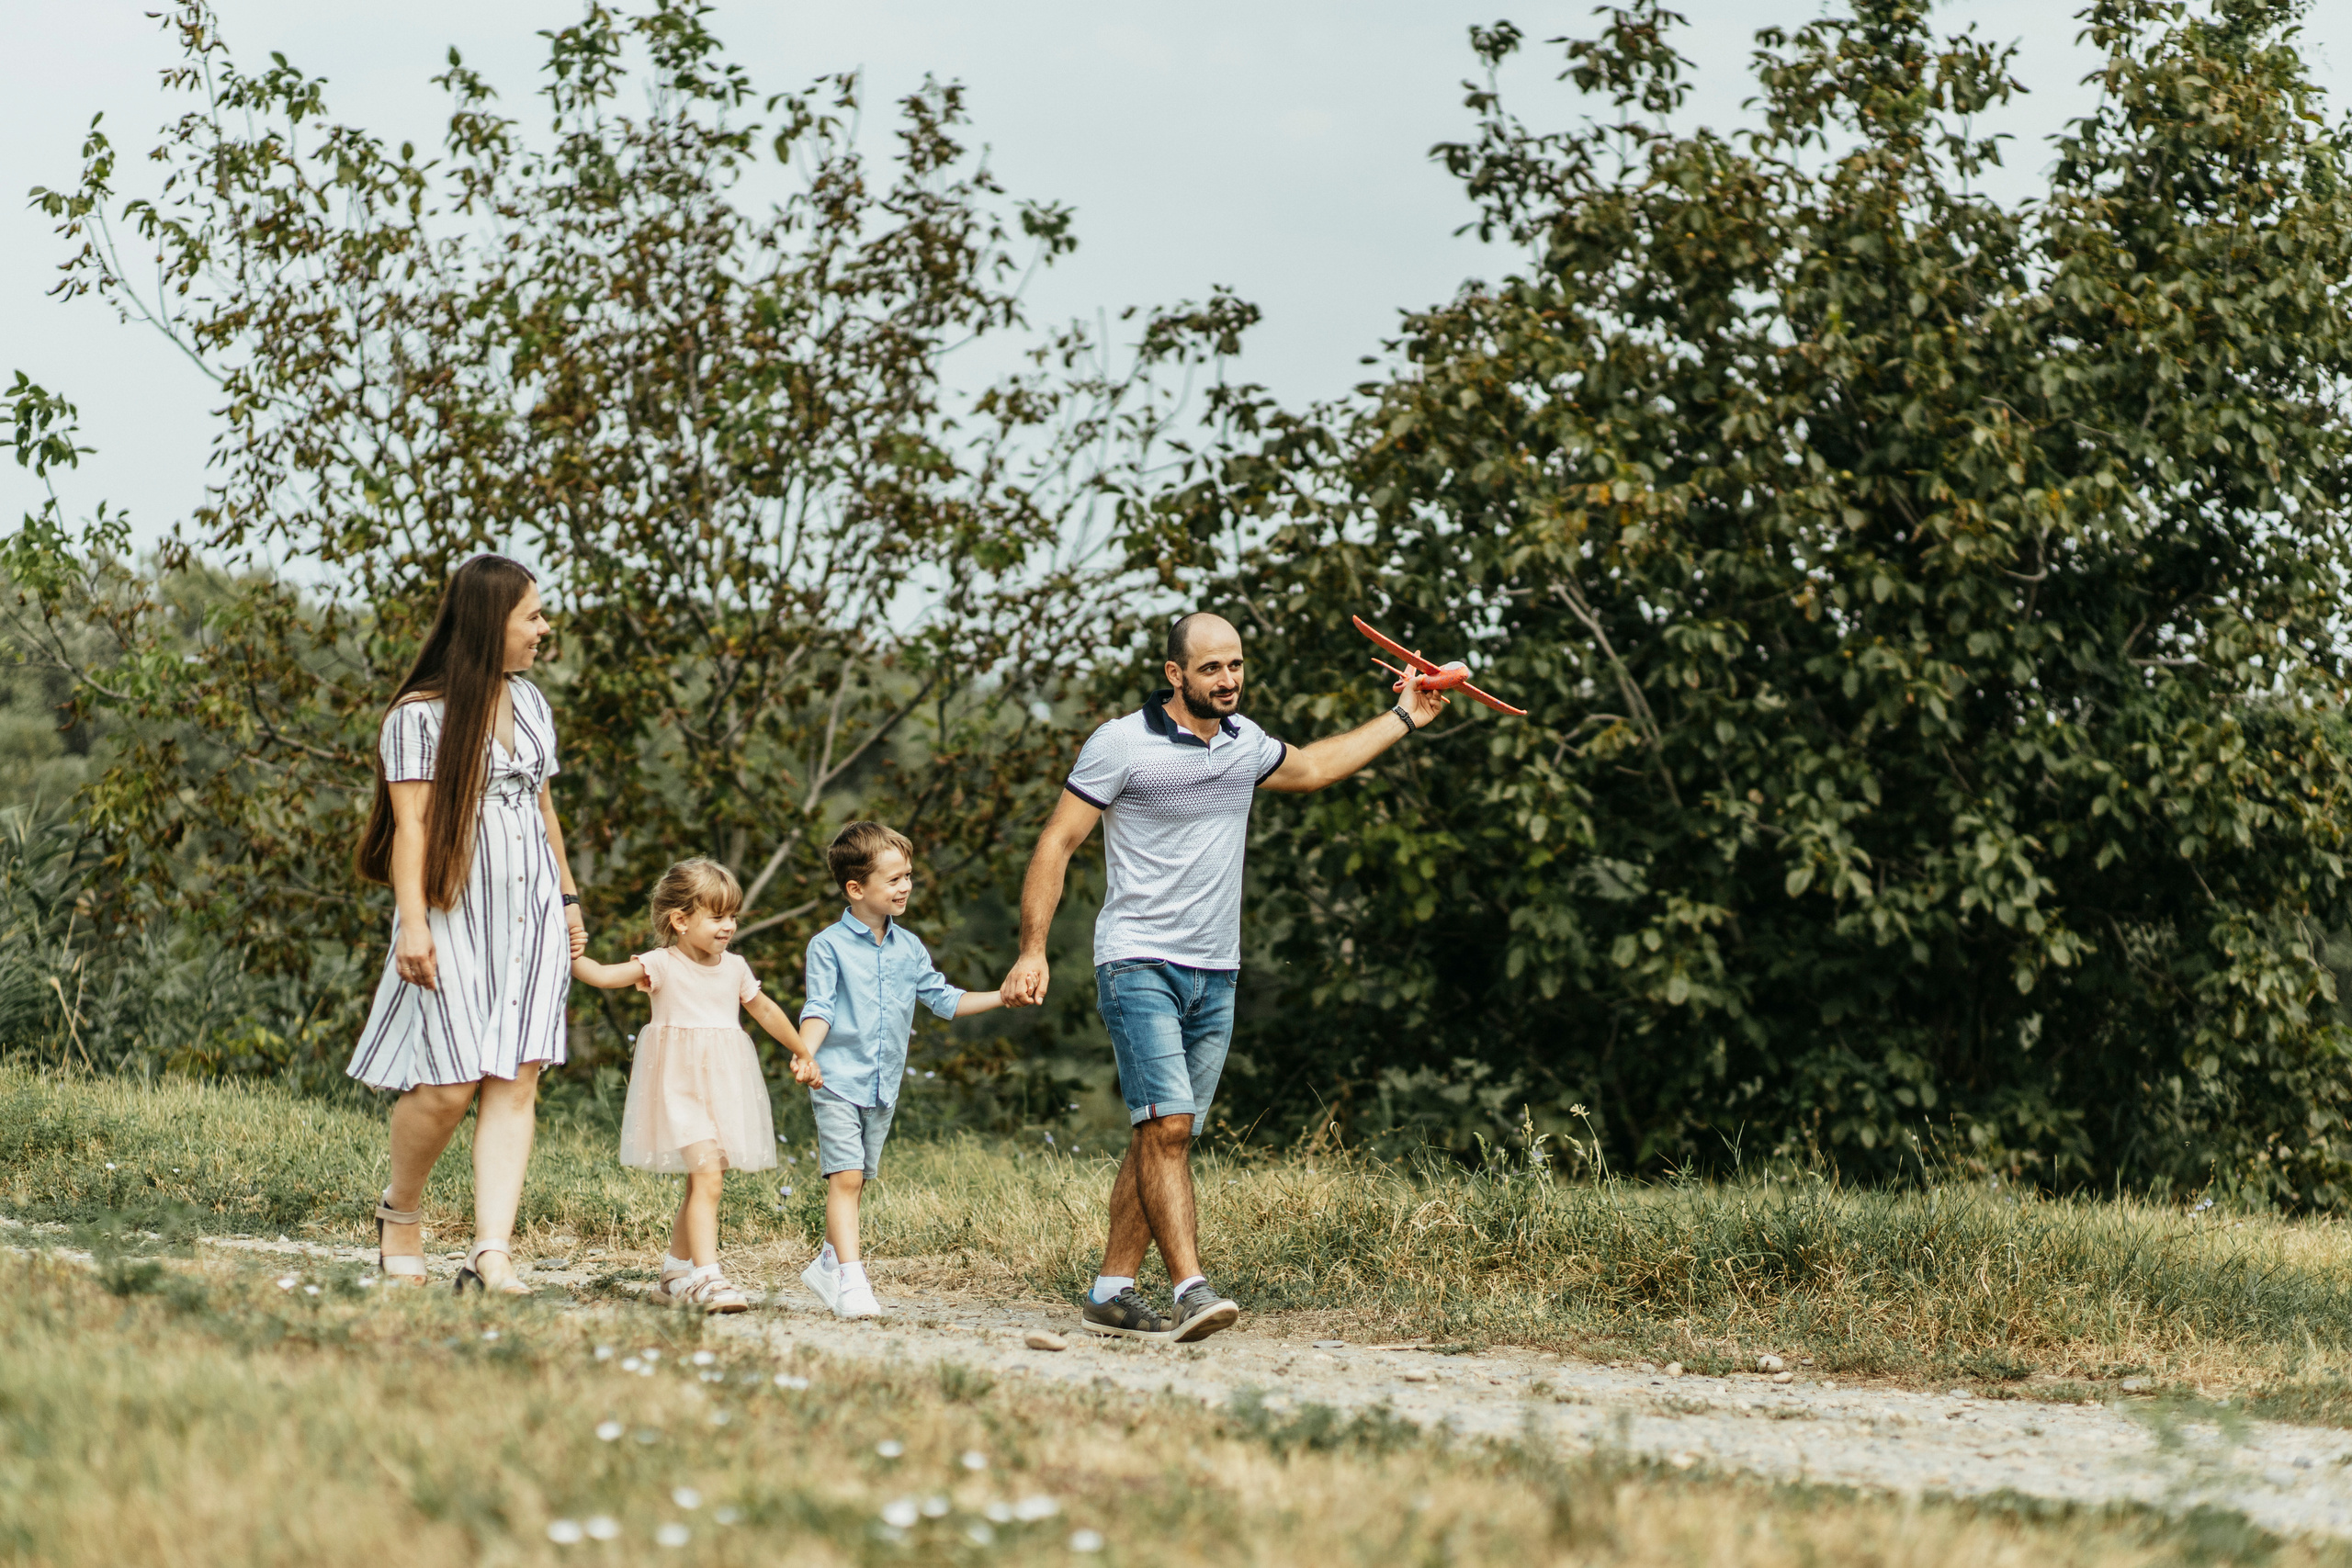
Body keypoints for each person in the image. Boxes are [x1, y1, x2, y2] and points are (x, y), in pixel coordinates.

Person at [1001, 611, 1444, 1342]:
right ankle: (1191, 1289)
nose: (1229, 679)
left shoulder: (1245, 745)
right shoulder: (1122, 742)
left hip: (1217, 972)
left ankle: (1112, 1290)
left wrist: (1405, 713)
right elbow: (1058, 840)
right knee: (1168, 1126)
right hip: (1138, 959)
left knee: (1163, 1134)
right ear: (1175, 674)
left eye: (1236, 665)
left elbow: (1314, 768)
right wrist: (1033, 948)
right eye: (1211, 668)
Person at [347, 554, 590, 1295]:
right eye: (533, 617)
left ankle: (492, 1252)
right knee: (449, 1082)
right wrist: (413, 922)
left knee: (515, 1079)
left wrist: (572, 903)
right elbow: (411, 826)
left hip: (533, 914)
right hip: (452, 913)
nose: (545, 629)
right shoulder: (417, 716)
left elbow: (544, 810)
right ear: (492, 622)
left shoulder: (533, 703)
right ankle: (401, 1210)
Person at [571, 858, 818, 1313]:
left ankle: (673, 1274)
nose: (729, 926)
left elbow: (764, 1011)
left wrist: (802, 1051)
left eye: (732, 916)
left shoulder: (735, 967)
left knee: (707, 1177)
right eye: (718, 916)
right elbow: (602, 976)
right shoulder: (661, 964)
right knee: (706, 1176)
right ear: (680, 920)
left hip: (722, 1089)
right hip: (678, 1090)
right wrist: (569, 953)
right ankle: (709, 1276)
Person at [798, 821, 1009, 1320]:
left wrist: (1002, 996)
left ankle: (828, 1262)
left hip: (882, 1085)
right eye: (893, 879)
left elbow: (944, 1000)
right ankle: (851, 1281)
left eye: (908, 875)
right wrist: (806, 1053)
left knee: (858, 1180)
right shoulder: (827, 946)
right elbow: (819, 1007)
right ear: (856, 889)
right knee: (846, 1179)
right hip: (836, 1079)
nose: (906, 886)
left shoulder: (909, 947)